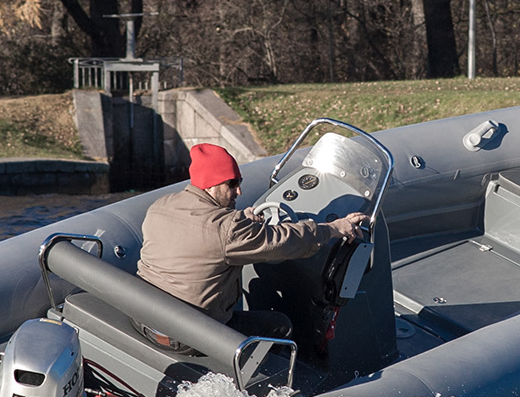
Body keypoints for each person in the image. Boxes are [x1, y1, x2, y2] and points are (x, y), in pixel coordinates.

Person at [136, 143, 366, 342]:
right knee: (280, 324)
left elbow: (201, 236)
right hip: (192, 335)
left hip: (147, 319)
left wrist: (240, 221)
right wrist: (333, 229)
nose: (239, 190)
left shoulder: (160, 206)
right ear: (211, 184)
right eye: (232, 183)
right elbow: (283, 241)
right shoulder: (228, 229)